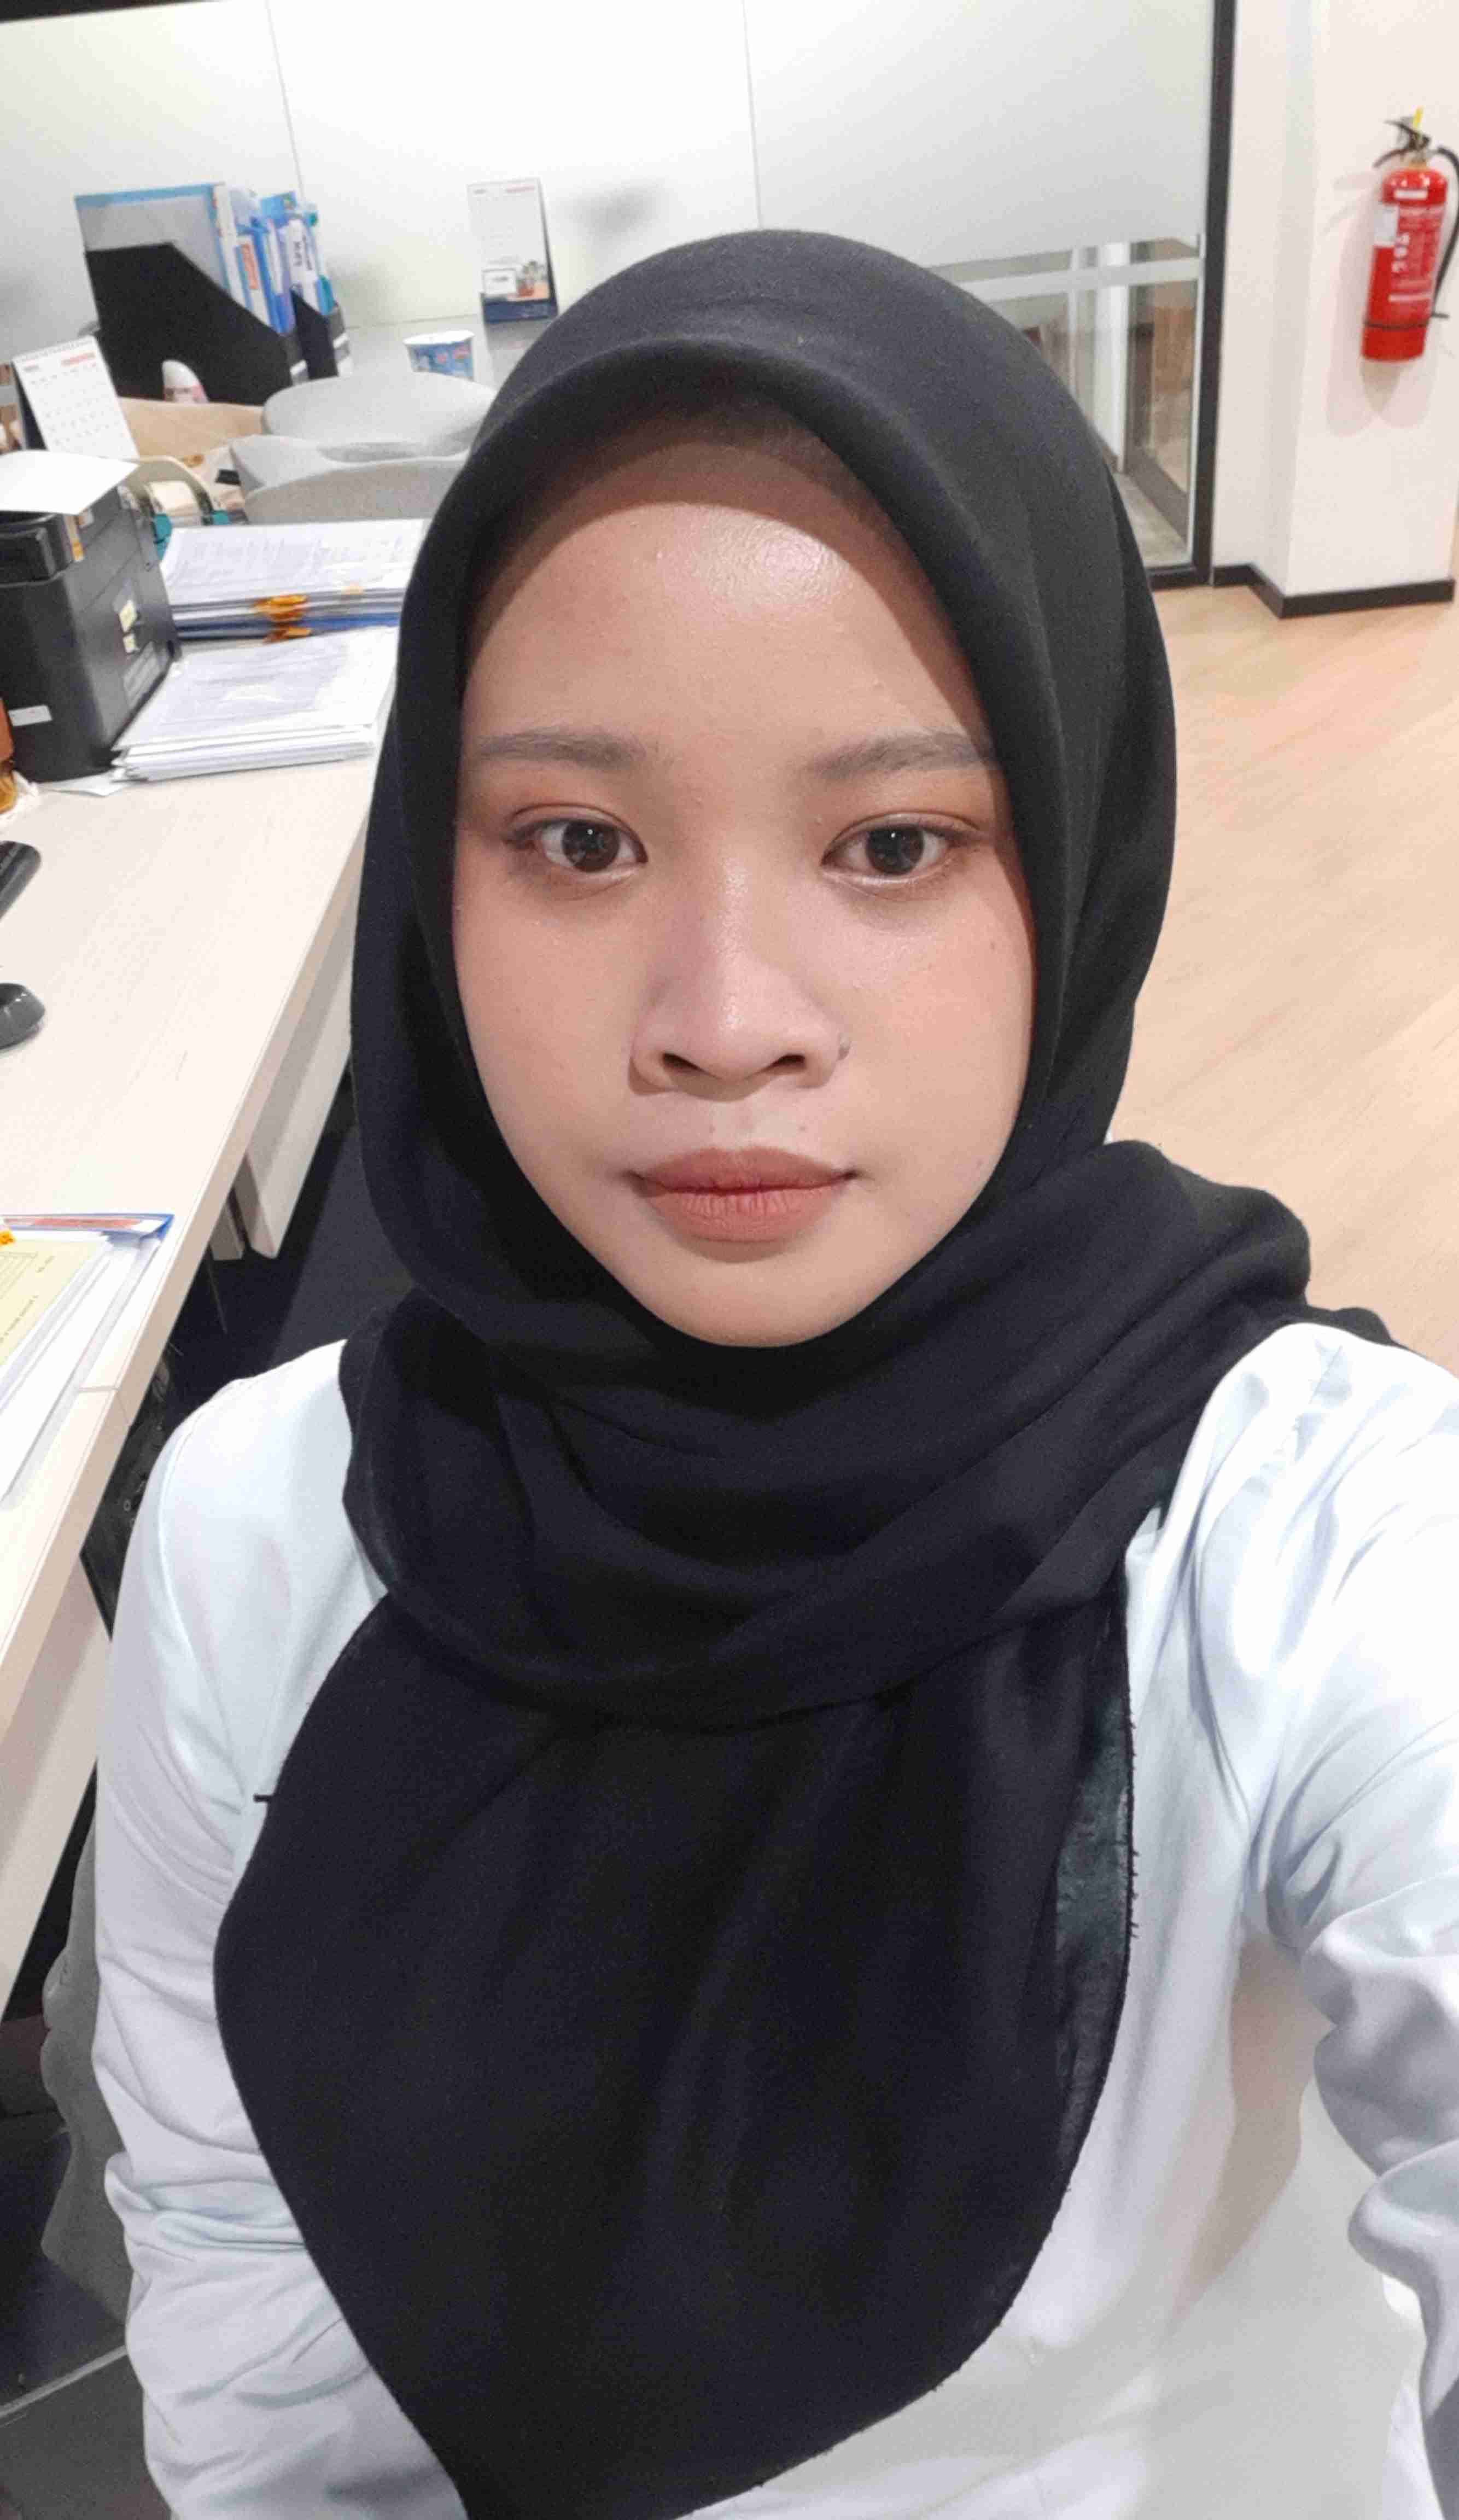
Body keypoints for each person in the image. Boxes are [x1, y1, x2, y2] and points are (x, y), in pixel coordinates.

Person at [92, 230, 1459, 2519]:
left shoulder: (1317, 1551)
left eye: (892, 844)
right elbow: (232, 2251)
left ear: (1079, 850)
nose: (726, 1020)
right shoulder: (262, 1532)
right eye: (578, 842)